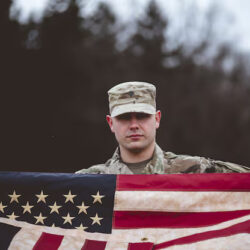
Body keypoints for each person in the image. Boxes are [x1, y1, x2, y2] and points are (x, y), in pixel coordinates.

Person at [76, 81, 250, 174]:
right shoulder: (89, 182)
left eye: (142, 116)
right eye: (124, 117)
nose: (134, 125)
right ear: (111, 123)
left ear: (157, 119)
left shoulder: (194, 170)